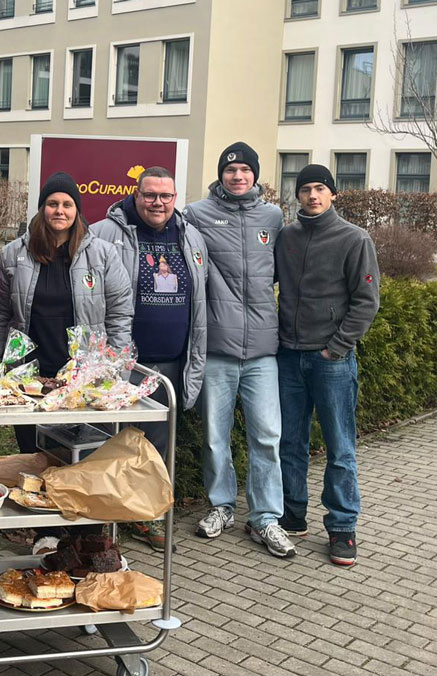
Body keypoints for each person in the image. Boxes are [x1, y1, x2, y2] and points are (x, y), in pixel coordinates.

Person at [0, 171, 133, 554]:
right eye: (53, 203)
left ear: (78, 211)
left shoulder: (101, 253)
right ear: (42, 208)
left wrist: (111, 368)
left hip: (82, 378)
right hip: (29, 376)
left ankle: (84, 538)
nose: (60, 210)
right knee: (39, 457)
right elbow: (1, 314)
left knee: (80, 456)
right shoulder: (14, 253)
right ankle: (45, 536)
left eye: (67, 204)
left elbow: (120, 313)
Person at [183, 141, 296, 559]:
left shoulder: (273, 216)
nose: (237, 176)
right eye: (231, 171)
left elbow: (287, 272)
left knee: (267, 436)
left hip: (264, 349)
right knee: (215, 438)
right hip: (218, 346)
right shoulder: (197, 214)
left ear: (255, 175)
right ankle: (222, 506)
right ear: (221, 176)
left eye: (245, 170)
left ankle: (266, 517)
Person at [91, 166, 208, 552]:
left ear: (176, 199)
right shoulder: (105, 232)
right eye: (150, 195)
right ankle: (101, 519)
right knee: (108, 439)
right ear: (136, 195)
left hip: (171, 361)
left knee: (155, 446)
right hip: (122, 362)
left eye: (166, 196)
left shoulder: (190, 235)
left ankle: (146, 516)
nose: (158, 202)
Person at [275, 164, 380, 567]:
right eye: (305, 190)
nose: (313, 196)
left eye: (320, 189)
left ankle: (342, 528)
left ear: (333, 194)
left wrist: (335, 349)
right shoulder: (286, 237)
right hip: (288, 356)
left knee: (340, 448)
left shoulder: (354, 238)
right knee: (291, 442)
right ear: (297, 196)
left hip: (330, 361)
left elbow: (366, 302)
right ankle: (293, 513)